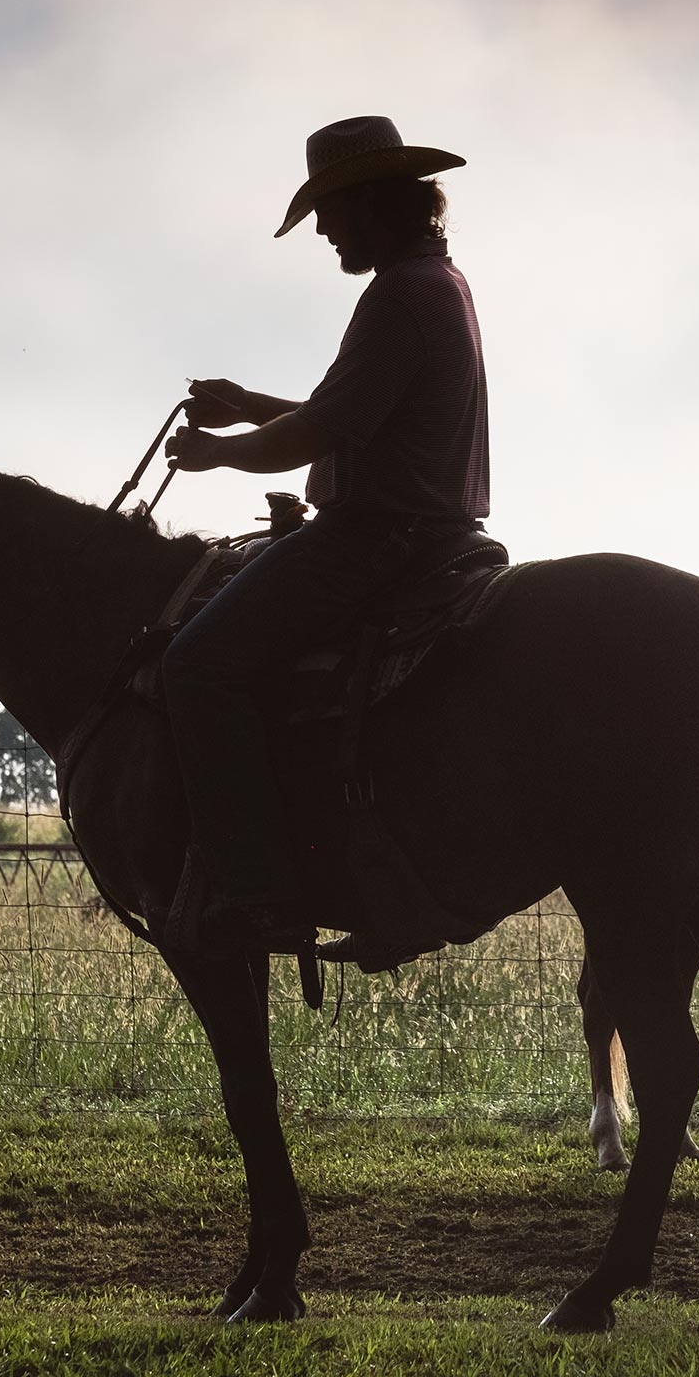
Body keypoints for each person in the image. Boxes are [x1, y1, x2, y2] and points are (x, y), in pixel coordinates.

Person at [159, 115, 489, 965]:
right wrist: (248, 405)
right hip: (432, 527)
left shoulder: (398, 295)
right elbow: (348, 418)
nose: (326, 233)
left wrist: (216, 454)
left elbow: (322, 433)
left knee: (195, 667)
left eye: (332, 214)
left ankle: (255, 891)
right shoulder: (436, 282)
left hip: (377, 535)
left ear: (372, 203)